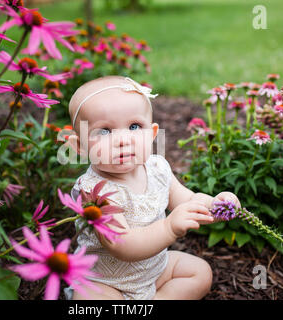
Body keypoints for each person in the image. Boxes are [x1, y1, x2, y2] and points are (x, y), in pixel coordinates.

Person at [64, 75, 241, 300]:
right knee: (88, 298)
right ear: (79, 146)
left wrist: (216, 205)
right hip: (106, 283)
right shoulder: (94, 191)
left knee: (199, 272)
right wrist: (169, 228)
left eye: (134, 126)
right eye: (105, 131)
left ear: (152, 133)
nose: (123, 140)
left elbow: (188, 200)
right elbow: (123, 245)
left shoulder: (157, 168)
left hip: (155, 271)